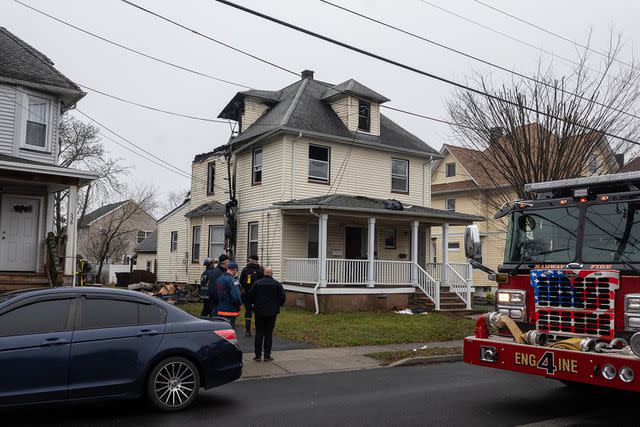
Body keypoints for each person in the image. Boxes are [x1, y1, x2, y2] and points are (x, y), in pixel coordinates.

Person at [246, 266, 286, 362]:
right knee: (268, 334)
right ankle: (267, 355)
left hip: (259, 312)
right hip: (272, 312)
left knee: (259, 333)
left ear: (264, 273)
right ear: (272, 274)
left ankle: (258, 355)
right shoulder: (277, 284)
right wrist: (277, 305)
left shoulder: (257, 283)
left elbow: (250, 296)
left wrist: (253, 306)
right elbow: (282, 298)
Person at [211, 261, 242, 329]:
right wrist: (239, 305)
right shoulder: (232, 280)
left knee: (221, 331)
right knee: (230, 332)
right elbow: (236, 297)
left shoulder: (219, 279)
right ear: (235, 269)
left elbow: (214, 294)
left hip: (220, 309)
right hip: (230, 311)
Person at [239, 254, 264, 336]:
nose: (248, 261)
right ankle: (259, 330)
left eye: (249, 259)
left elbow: (241, 281)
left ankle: (248, 330)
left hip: (247, 294)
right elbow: (263, 281)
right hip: (258, 295)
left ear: (252, 260)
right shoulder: (260, 270)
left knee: (248, 312)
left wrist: (246, 288)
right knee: (258, 312)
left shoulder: (245, 270)